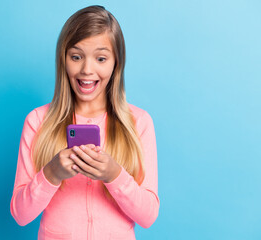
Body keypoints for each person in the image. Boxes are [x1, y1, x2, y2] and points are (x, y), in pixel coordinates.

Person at [10, 5, 159, 239]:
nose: (87, 70)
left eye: (101, 58)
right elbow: (20, 214)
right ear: (64, 60)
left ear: (116, 63)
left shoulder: (138, 122)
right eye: (76, 57)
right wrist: (51, 174)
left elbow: (148, 216)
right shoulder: (38, 121)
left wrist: (114, 175)